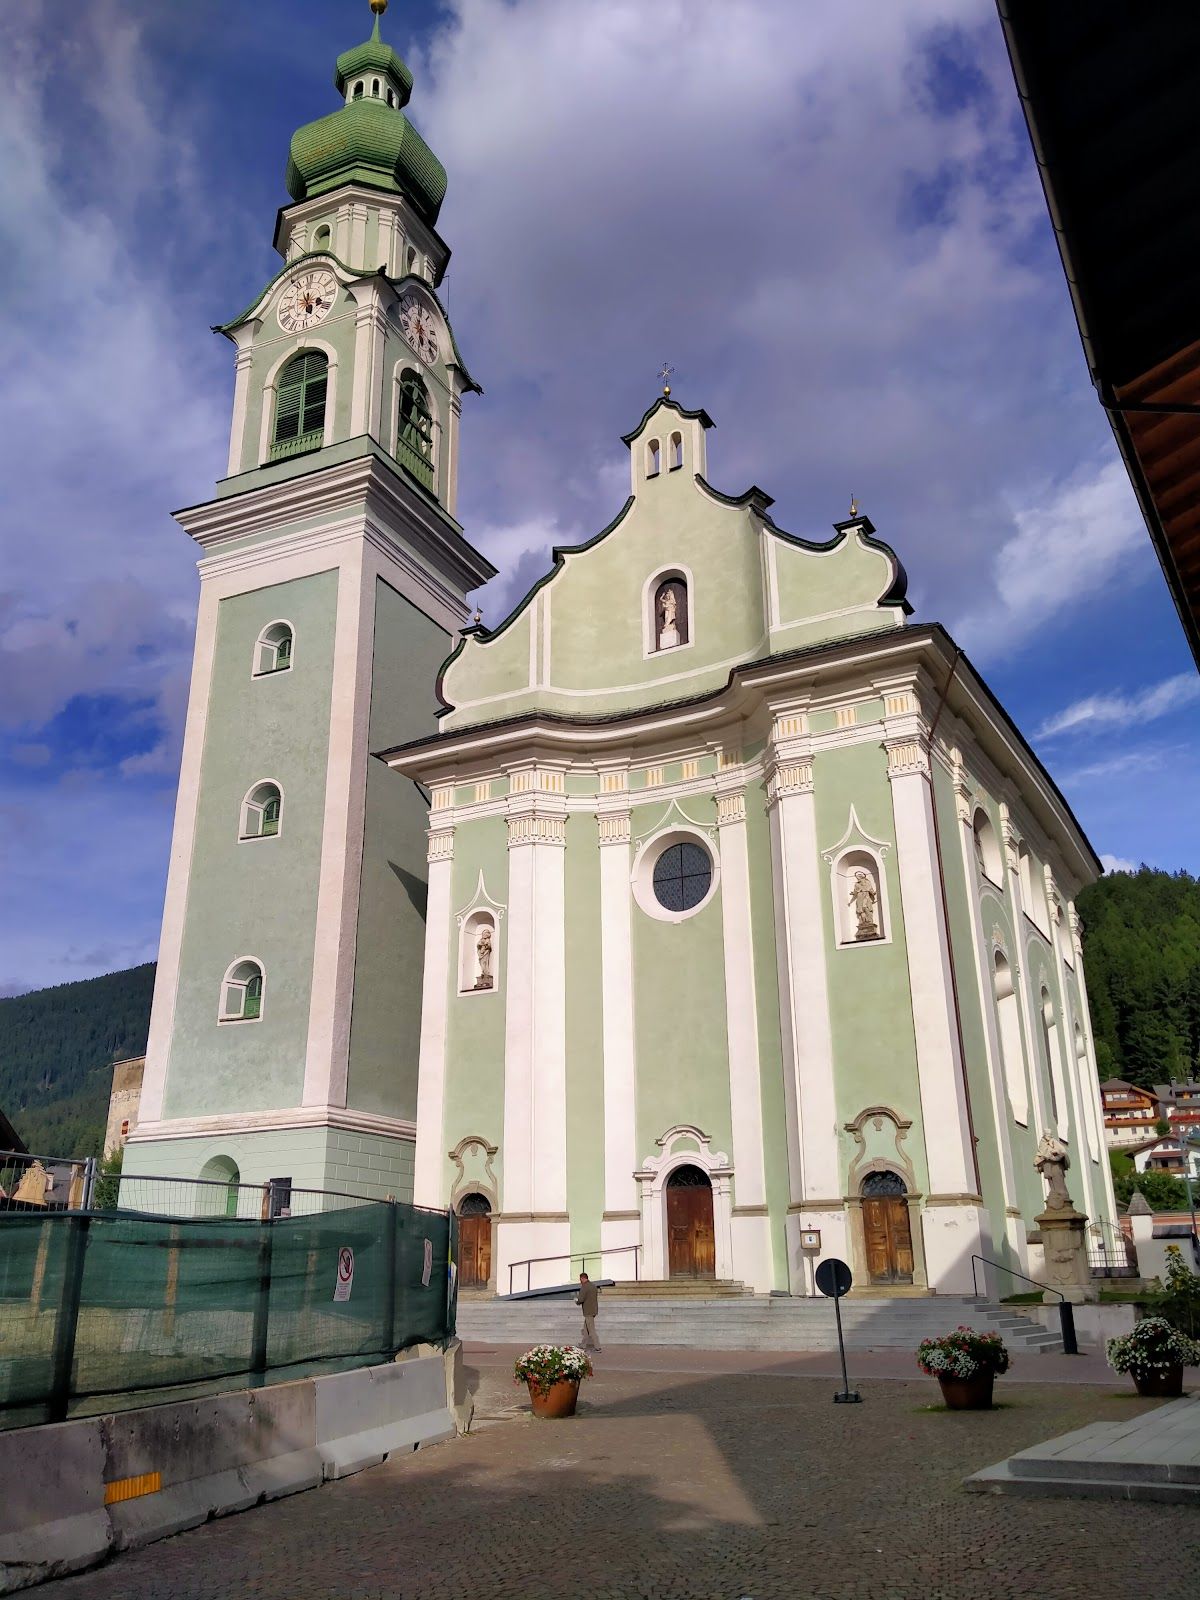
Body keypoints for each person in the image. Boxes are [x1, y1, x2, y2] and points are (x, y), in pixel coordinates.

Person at [575, 1271, 601, 1353]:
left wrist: (577, 1301)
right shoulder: (593, 1286)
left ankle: (598, 1347)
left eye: (580, 1279)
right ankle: (583, 1345)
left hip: (588, 1311)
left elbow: (581, 1299)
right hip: (593, 1310)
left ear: (582, 1278)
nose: (580, 1281)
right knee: (586, 1330)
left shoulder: (584, 1287)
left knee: (591, 1330)